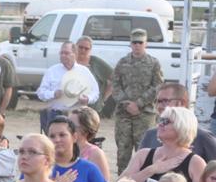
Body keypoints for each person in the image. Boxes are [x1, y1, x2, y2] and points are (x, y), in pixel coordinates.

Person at [122, 106, 205, 182]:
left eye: (166, 121)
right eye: (160, 120)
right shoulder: (143, 154)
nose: (160, 124)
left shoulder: (195, 162)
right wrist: (151, 169)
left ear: (182, 127)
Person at [112, 29, 165, 173]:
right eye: (134, 42)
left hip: (144, 114)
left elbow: (158, 86)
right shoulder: (122, 63)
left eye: (140, 42)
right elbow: (115, 85)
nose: (137, 45)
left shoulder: (153, 63)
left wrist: (139, 103)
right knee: (123, 150)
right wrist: (127, 103)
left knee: (145, 149)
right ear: (130, 44)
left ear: (145, 44)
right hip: (124, 114)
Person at [136, 81, 216, 161]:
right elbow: (136, 168)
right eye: (158, 101)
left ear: (182, 103)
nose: (159, 106)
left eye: (165, 101)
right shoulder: (151, 135)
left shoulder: (202, 137)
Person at [35, 42, 99, 133]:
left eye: (66, 53)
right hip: (56, 114)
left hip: (78, 115)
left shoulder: (84, 71)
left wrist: (87, 99)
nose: (63, 55)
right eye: (61, 53)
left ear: (74, 54)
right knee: (55, 144)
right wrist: (53, 94)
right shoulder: (52, 71)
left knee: (77, 144)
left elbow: (95, 92)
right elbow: (41, 92)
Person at [69, 106, 111, 182]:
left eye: (72, 126)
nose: (67, 129)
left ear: (85, 130)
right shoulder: (59, 149)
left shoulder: (95, 154)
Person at [74, 36, 113, 115]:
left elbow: (115, 78)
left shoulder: (95, 62)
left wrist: (103, 98)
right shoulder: (70, 61)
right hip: (72, 107)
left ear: (90, 50)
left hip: (92, 108)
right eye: (80, 47)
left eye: (86, 48)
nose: (83, 50)